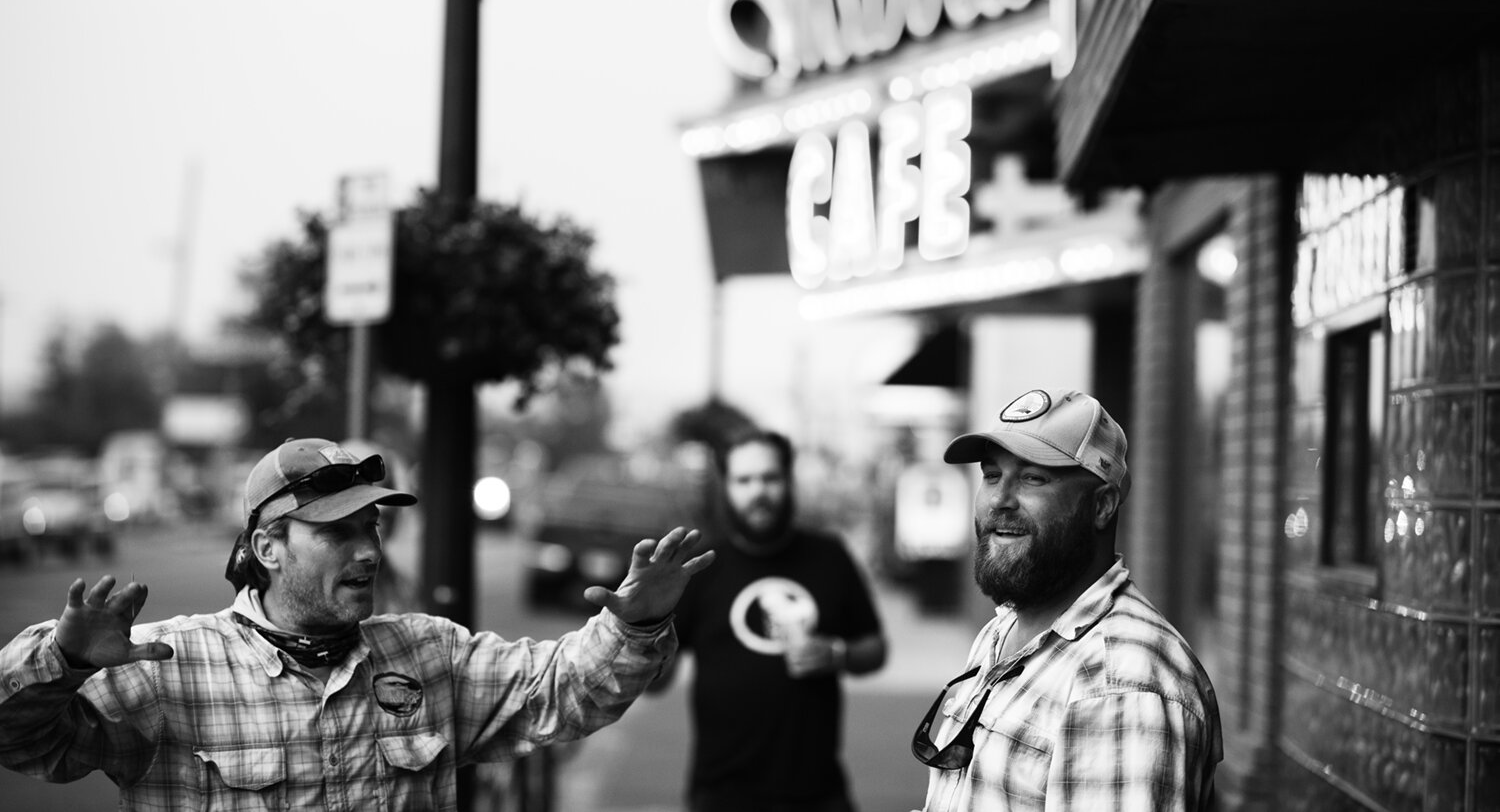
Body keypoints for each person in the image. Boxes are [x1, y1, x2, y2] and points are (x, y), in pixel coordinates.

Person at [0, 437, 714, 810]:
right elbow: (22, 744)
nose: (370, 551)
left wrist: (635, 627)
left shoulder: (431, 654)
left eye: (371, 528)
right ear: (267, 548)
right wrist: (63, 661)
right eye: (337, 533)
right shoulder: (166, 667)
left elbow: (561, 689)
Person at [912, 388, 1222, 811]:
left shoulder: (1121, 683)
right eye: (991, 475)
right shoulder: (1004, 628)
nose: (1000, 500)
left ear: (1102, 506)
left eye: (1033, 478)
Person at [655, 428, 889, 812]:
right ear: (726, 486)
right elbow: (657, 684)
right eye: (744, 480)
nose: (758, 491)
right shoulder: (701, 566)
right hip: (721, 794)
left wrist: (836, 653)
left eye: (769, 478)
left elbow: (874, 648)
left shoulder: (829, 556)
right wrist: (645, 625)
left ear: (788, 480)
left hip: (819, 792)